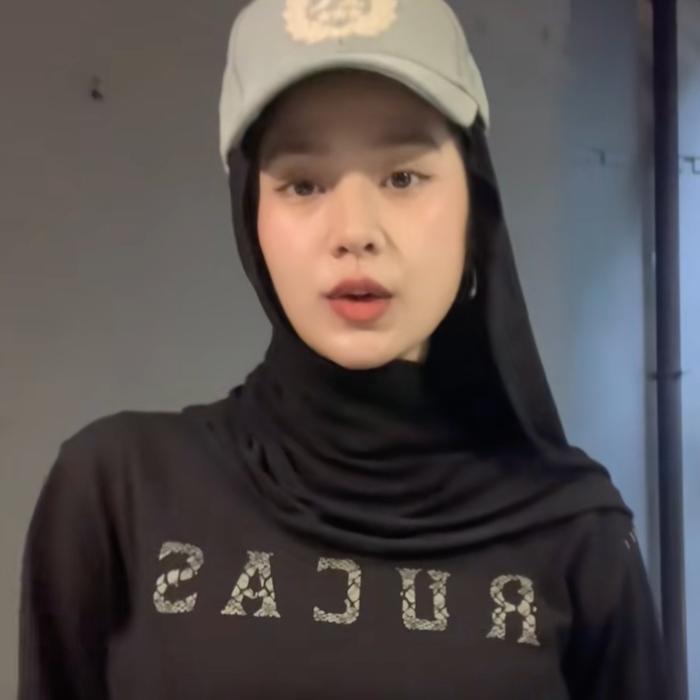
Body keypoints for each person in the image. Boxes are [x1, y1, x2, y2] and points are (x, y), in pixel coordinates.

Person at [18, 0, 667, 698]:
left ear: (474, 208)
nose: (354, 231)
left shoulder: (579, 534)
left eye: (402, 177)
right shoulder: (119, 491)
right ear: (250, 215)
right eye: (303, 184)